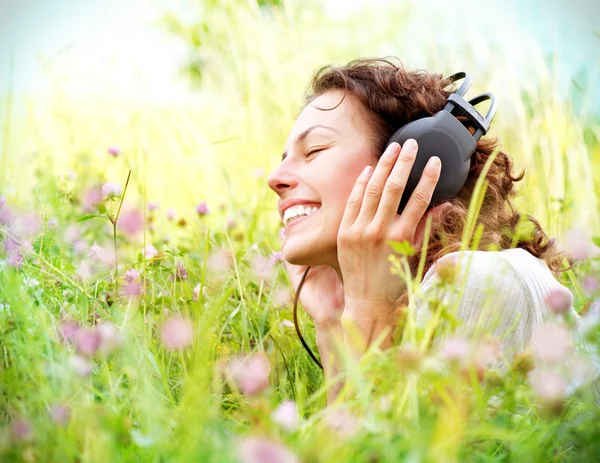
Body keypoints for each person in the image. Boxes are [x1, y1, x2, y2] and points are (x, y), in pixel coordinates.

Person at [266, 57, 586, 405]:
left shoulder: (481, 281)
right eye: (284, 158)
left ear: (414, 169)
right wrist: (331, 322)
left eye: (314, 150)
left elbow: (403, 438)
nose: (275, 179)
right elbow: (347, 436)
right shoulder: (401, 305)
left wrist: (367, 310)